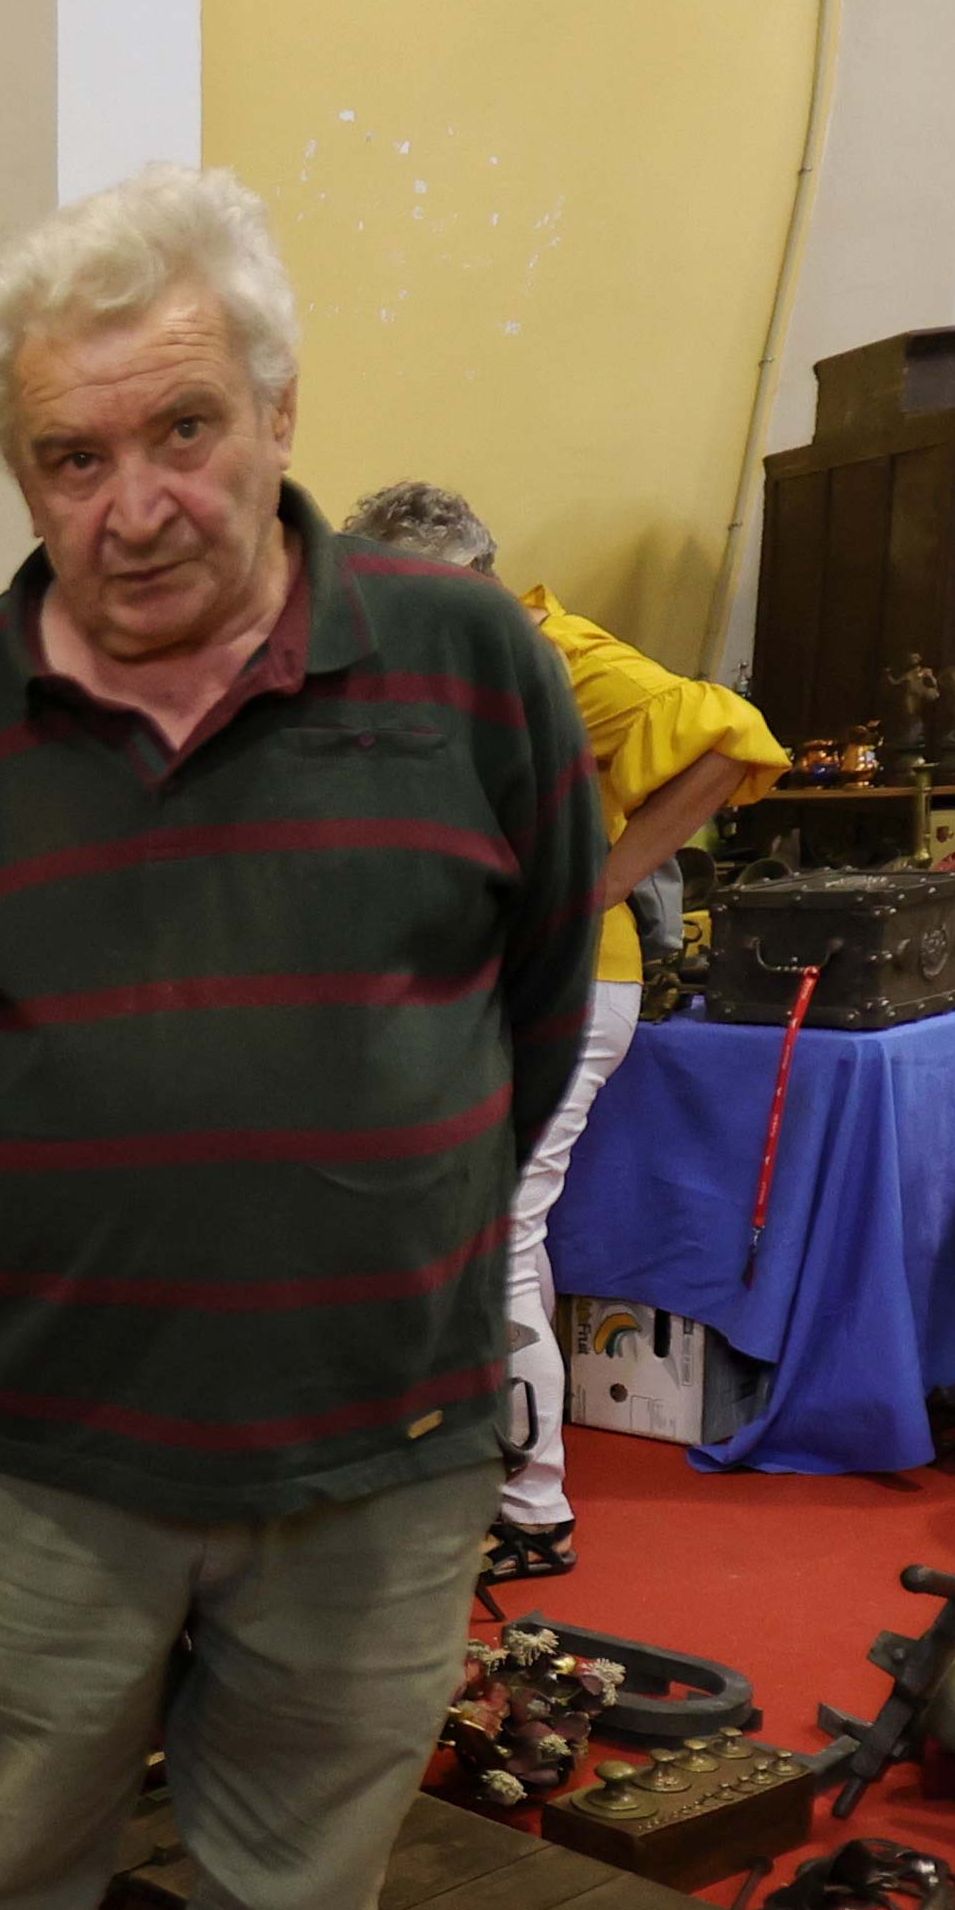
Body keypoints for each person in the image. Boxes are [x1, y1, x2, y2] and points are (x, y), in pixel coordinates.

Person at [0, 165, 605, 1910]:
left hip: (372, 1467)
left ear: (276, 412)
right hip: (43, 1463)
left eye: (181, 428)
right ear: (25, 478)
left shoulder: (465, 669)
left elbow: (534, 1012)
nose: (136, 499)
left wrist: (362, 1214)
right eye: (70, 454)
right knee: (0, 1892)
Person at [343, 480, 787, 1581]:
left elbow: (731, 741)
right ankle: (495, 1467)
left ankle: (533, 1511)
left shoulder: (553, 654)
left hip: (563, 991)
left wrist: (597, 883)